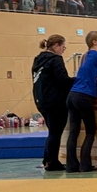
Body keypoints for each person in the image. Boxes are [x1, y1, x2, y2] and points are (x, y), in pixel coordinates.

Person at [65, 31, 97, 172]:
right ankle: (85, 165)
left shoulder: (84, 56)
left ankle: (71, 165)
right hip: (84, 96)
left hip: (72, 95)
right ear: (94, 42)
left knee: (74, 131)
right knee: (90, 131)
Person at [32, 35, 74, 171]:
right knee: (55, 132)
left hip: (41, 100)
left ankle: (47, 160)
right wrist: (78, 80)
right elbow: (63, 80)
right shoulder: (56, 59)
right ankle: (52, 162)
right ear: (56, 46)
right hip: (55, 101)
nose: (63, 50)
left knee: (52, 132)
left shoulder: (38, 59)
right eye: (63, 47)